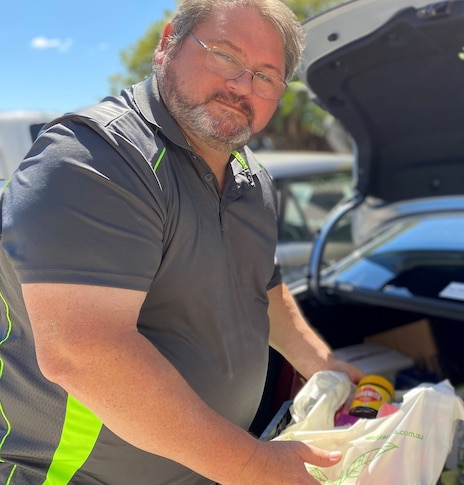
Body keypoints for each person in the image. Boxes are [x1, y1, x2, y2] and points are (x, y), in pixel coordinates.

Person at [0, 0, 362, 483]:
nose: (241, 85)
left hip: (207, 466)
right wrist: (250, 464)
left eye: (266, 75)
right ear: (168, 43)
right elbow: (84, 352)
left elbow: (265, 291)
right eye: (226, 56)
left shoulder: (252, 177)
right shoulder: (94, 160)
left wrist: (324, 365)